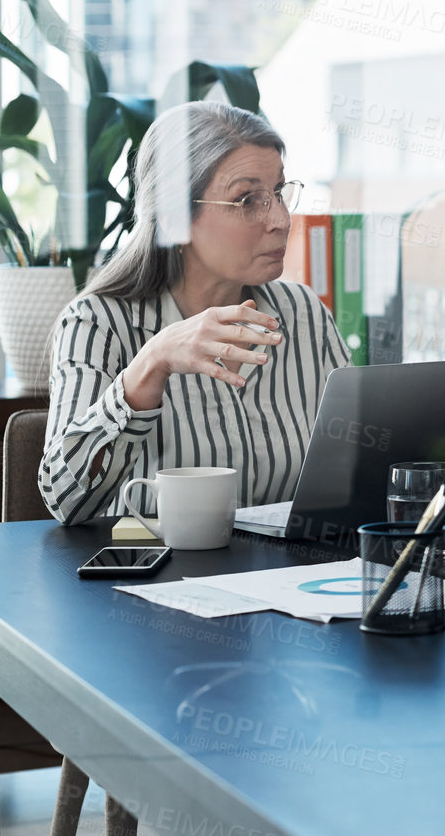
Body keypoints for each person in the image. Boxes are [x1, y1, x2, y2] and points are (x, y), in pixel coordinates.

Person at [39, 101, 345, 525]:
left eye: (278, 193)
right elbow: (65, 498)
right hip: (152, 580)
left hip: (288, 578)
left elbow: (356, 468)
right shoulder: (97, 323)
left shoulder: (305, 313)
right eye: (247, 200)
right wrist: (151, 362)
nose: (280, 219)